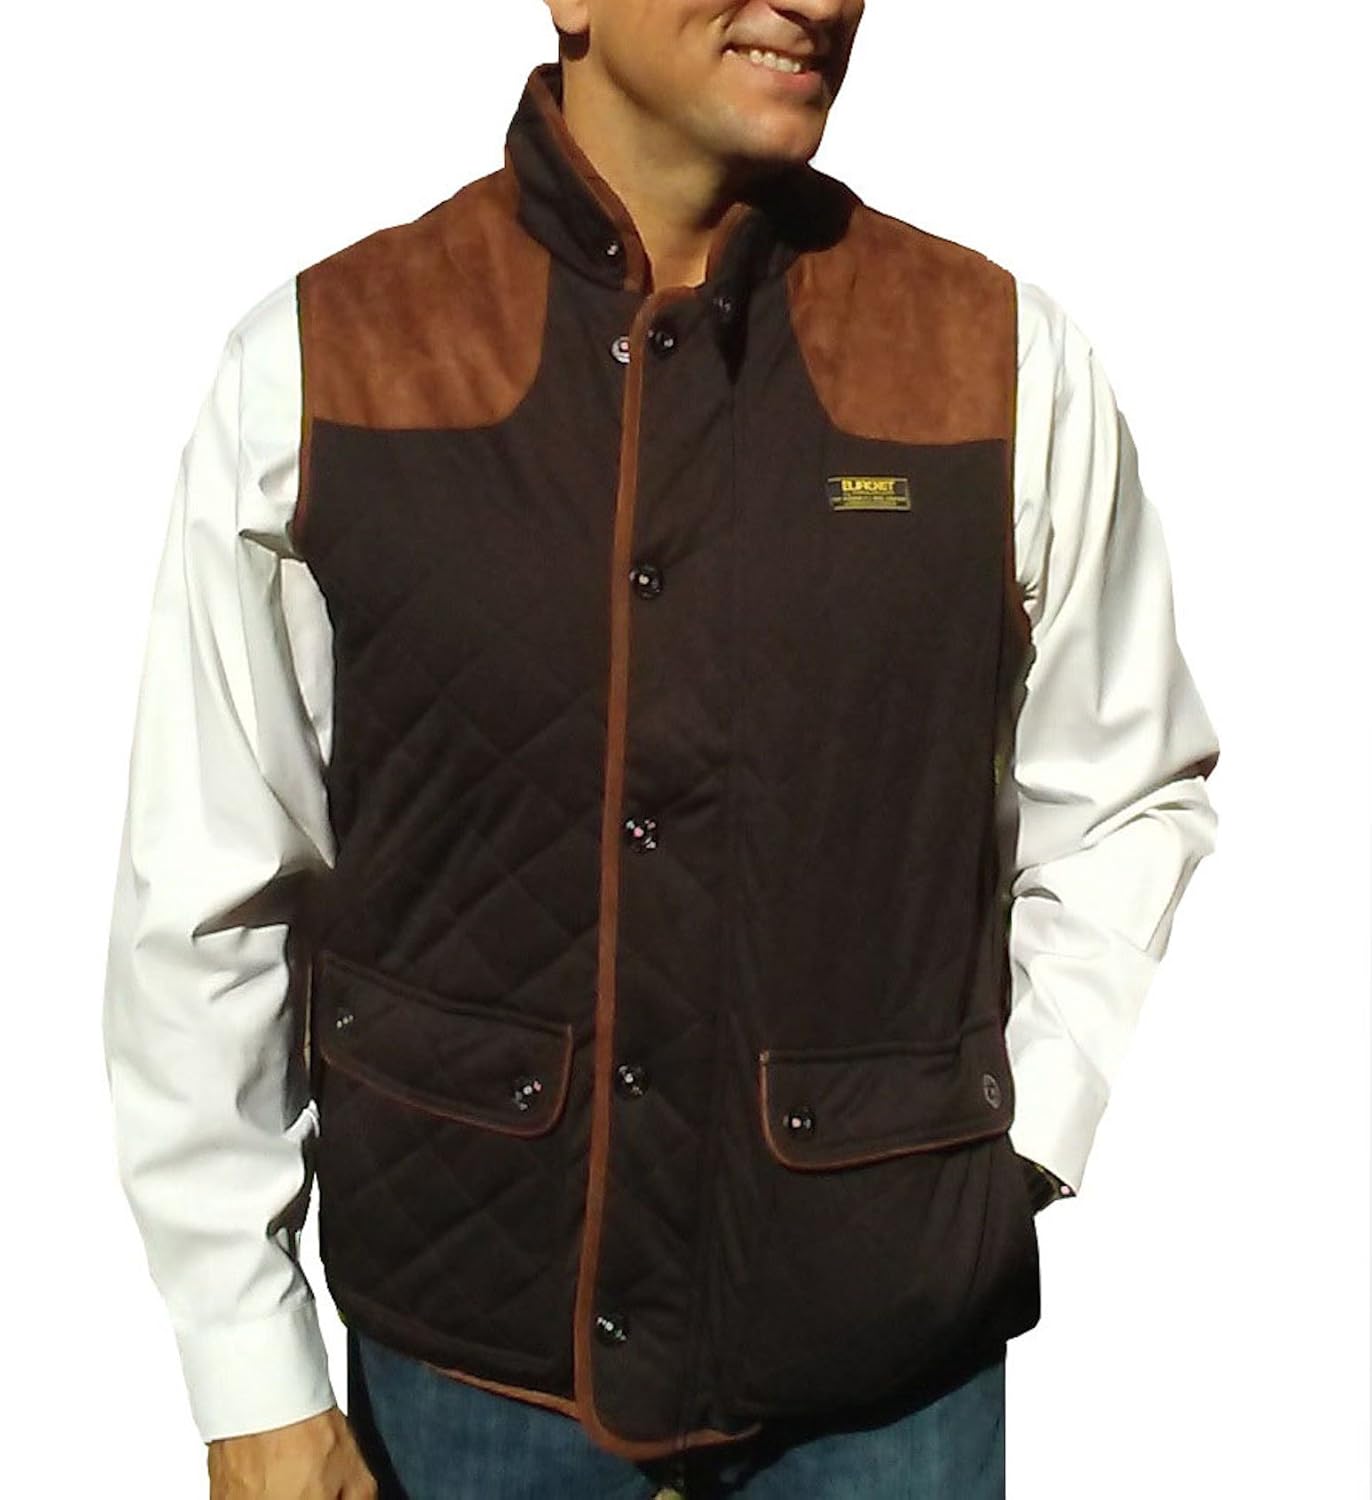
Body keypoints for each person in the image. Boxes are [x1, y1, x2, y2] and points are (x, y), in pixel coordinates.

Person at [100, 1, 1221, 1496]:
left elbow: (1127, 791)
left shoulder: (1001, 361)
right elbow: (208, 888)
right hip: (466, 1384)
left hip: (892, 1385)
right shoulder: (325, 361)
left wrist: (1007, 1153)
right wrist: (248, 1370)